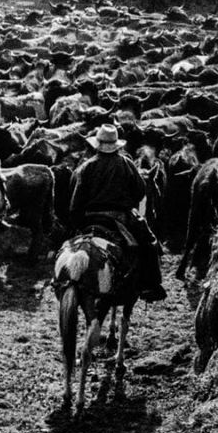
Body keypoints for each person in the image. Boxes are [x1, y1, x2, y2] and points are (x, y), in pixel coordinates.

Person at [66, 124, 166, 302]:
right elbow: (140, 191)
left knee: (68, 244)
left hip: (89, 219)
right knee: (149, 243)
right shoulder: (126, 163)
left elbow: (75, 201)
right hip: (119, 218)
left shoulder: (86, 167)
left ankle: (62, 279)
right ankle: (151, 285)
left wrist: (77, 223)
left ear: (97, 144)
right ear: (116, 145)